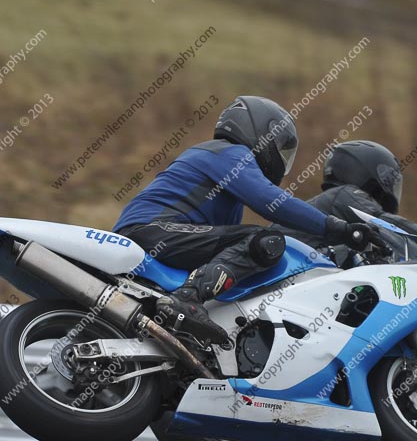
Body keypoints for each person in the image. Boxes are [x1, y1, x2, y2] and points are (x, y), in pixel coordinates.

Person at [113, 96, 381, 345]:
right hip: (152, 230)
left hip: (156, 233)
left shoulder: (224, 184)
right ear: (261, 132)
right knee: (263, 241)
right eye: (280, 146)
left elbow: (241, 252)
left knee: (259, 245)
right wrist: (338, 228)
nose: (281, 158)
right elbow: (272, 202)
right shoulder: (229, 153)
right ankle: (187, 299)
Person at [270, 140, 417, 269]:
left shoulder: (340, 214)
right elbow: (390, 224)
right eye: (388, 178)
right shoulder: (345, 195)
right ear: (365, 171)